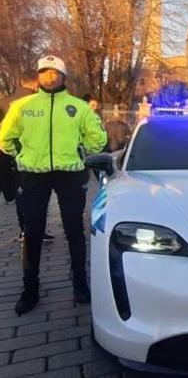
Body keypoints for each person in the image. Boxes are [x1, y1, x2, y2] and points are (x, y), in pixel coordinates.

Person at [0, 55, 106, 314]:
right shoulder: (21, 106)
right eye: (44, 71)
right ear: (38, 75)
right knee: (32, 232)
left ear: (63, 76)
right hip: (33, 175)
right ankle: (30, 289)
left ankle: (80, 284)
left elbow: (97, 140)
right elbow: (5, 138)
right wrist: (22, 156)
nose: (49, 76)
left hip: (69, 175)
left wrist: (82, 152)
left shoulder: (79, 107)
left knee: (74, 231)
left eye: (55, 72)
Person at [0, 70, 55, 243]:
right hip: (36, 154)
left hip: (11, 155)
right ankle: (37, 230)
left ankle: (25, 230)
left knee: (21, 193)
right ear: (36, 83)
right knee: (39, 193)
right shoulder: (39, 101)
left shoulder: (4, 102)